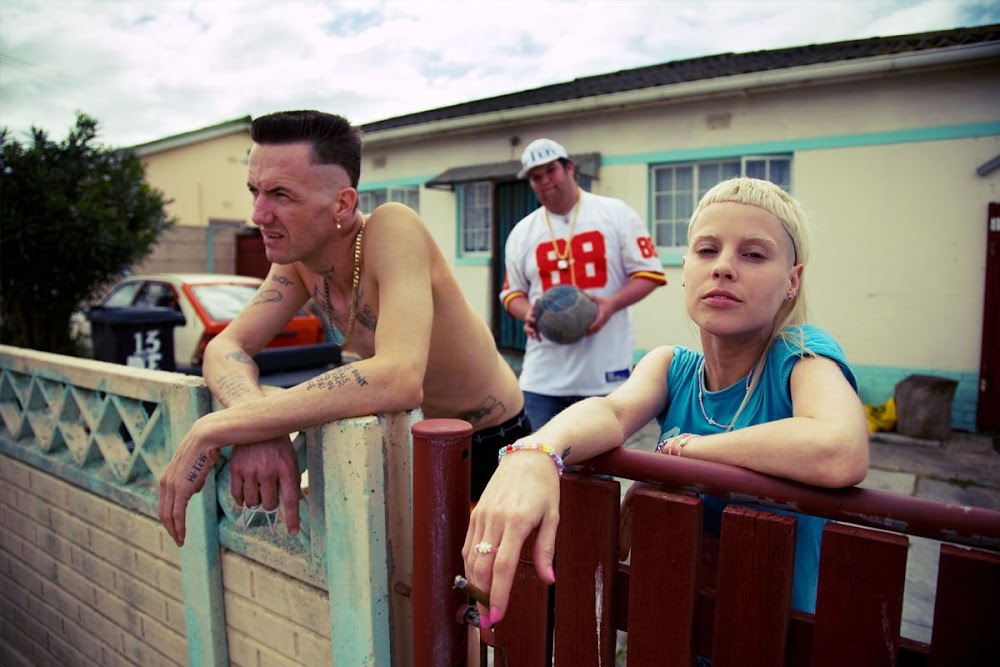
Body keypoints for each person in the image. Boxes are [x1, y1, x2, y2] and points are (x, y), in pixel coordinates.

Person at [464, 177, 870, 626]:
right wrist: (535, 451)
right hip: (676, 632)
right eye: (707, 250)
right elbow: (612, 411)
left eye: (753, 254)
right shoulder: (672, 366)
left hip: (776, 638)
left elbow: (839, 449)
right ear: (686, 270)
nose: (723, 267)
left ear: (792, 280)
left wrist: (684, 453)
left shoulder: (801, 355)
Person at [158, 110, 529, 547]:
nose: (258, 214)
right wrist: (251, 420)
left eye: (280, 194)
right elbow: (226, 347)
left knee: (490, 587)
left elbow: (399, 377)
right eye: (254, 191)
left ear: (343, 203)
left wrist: (215, 427)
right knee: (410, 582)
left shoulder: (392, 228)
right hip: (413, 442)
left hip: (491, 442)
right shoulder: (299, 262)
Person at [501, 138, 667, 430]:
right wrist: (528, 312)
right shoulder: (522, 232)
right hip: (543, 376)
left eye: (550, 171)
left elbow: (650, 273)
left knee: (600, 458)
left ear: (570, 169)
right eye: (535, 177)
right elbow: (511, 293)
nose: (544, 181)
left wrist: (611, 304)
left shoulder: (615, 213)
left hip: (604, 372)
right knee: (537, 453)